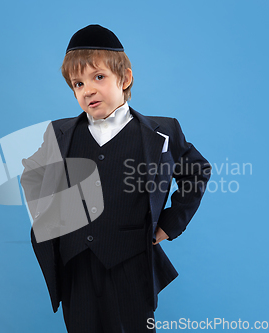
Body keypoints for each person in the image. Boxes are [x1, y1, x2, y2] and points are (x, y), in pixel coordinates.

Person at [20, 24, 211, 333]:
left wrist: (169, 224)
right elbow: (32, 175)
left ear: (125, 78)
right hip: (76, 266)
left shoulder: (161, 132)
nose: (88, 90)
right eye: (78, 84)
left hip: (130, 264)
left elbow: (197, 171)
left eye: (98, 77)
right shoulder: (59, 133)